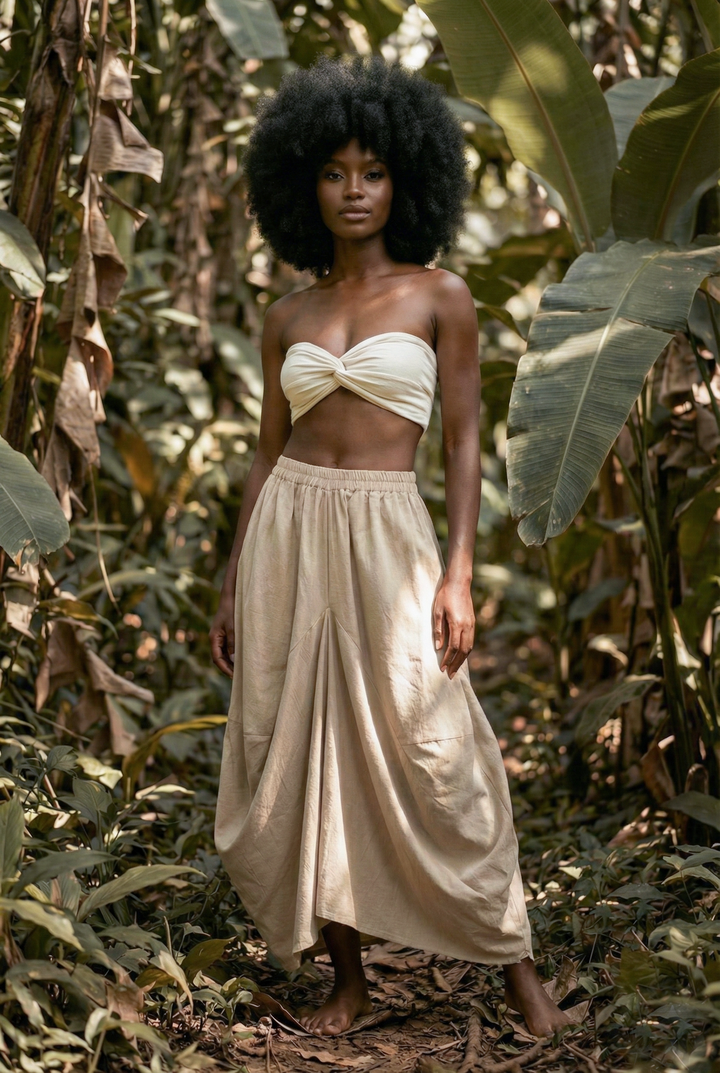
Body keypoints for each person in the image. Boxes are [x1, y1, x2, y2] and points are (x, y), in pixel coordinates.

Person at [211, 55, 568, 1040]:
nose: (355, 189)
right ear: (304, 185)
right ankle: (348, 977)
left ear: (404, 177)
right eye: (334, 172)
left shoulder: (440, 296)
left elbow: (461, 441)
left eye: (372, 169)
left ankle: (516, 967)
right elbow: (265, 452)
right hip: (291, 527)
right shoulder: (288, 314)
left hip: (387, 533)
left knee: (444, 749)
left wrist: (457, 568)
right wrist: (236, 578)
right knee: (303, 744)